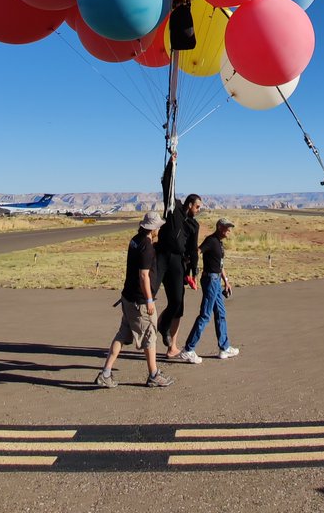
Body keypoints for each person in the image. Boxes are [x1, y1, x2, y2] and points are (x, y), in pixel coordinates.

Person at [95, 212, 174, 389]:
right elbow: (144, 275)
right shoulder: (147, 247)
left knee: (123, 334)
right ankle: (153, 375)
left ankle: (106, 373)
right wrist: (149, 300)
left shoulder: (135, 240)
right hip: (140, 301)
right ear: (152, 228)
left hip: (128, 298)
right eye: (158, 227)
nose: (159, 229)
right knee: (150, 335)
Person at [156, 156, 202, 358]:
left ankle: (167, 335)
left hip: (177, 262)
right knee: (146, 294)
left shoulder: (194, 225)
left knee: (177, 303)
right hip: (160, 257)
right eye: (198, 207)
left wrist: (193, 273)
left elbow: (192, 250)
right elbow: (167, 186)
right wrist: (171, 164)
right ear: (190, 204)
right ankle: (132, 332)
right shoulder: (173, 208)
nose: (199, 211)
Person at [178, 218, 240, 363]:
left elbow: (220, 265)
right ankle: (188, 349)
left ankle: (224, 348)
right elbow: (197, 252)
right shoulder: (211, 240)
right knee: (205, 315)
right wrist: (188, 265)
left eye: (230, 228)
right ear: (219, 227)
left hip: (217, 281)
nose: (229, 230)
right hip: (210, 280)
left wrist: (226, 281)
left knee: (221, 313)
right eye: (227, 227)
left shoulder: (219, 243)